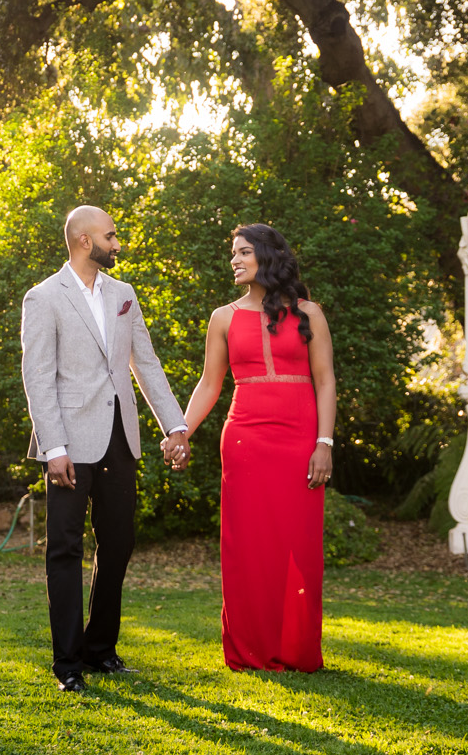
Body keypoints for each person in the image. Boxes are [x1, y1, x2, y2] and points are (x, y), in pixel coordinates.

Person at [19, 205, 190, 694]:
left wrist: (174, 425)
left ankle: (100, 649)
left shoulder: (124, 294)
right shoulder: (44, 298)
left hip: (120, 437)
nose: (118, 244)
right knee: (66, 549)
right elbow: (38, 379)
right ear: (84, 241)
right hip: (69, 443)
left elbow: (147, 364)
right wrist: (54, 447)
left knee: (119, 544)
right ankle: (68, 664)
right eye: (111, 236)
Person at [170, 222, 335, 672]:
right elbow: (209, 383)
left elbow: (325, 381)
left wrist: (325, 442)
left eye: (244, 252)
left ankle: (298, 648)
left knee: (298, 545)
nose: (235, 260)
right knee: (248, 547)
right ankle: (249, 650)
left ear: (267, 255)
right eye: (233, 254)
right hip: (245, 440)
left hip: (301, 437)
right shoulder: (222, 317)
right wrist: (180, 429)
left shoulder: (310, 313)